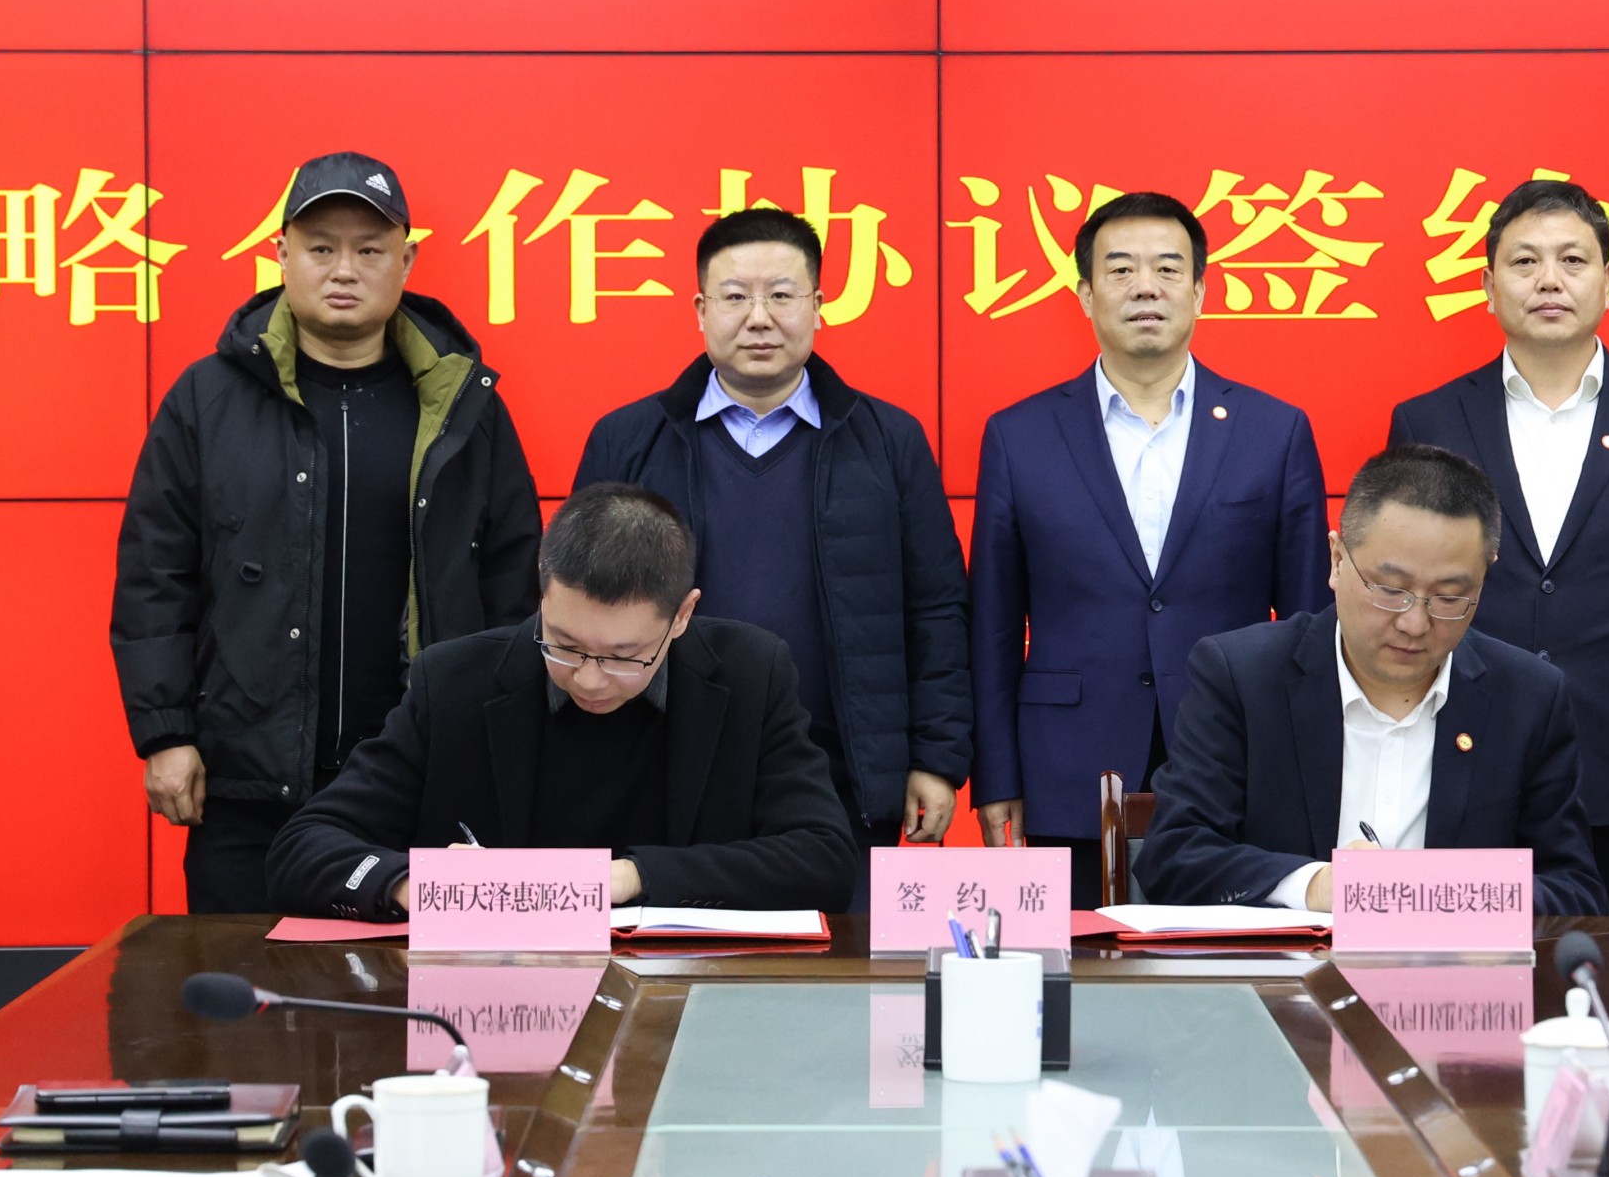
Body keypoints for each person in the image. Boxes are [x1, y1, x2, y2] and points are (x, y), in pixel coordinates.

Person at [111, 152, 542, 913]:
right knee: (241, 982)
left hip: (420, 780)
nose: (345, 269)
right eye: (321, 248)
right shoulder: (207, 400)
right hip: (247, 779)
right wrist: (165, 733)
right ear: (280, 254)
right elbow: (156, 576)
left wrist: (501, 741)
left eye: (370, 250)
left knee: (414, 984)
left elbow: (514, 583)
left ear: (407, 261)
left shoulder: (464, 409)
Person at [574, 208, 971, 905]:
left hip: (841, 777)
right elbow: (577, 609)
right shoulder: (628, 440)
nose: (759, 318)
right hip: (663, 768)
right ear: (700, 311)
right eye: (735, 296)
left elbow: (935, 607)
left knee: (845, 965)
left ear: (817, 306)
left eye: (781, 295)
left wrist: (936, 759)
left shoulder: (889, 441)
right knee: (673, 966)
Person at [1386, 178, 1609, 916]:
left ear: (1608, 282)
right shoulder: (1430, 420)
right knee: (1463, 973)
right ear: (1488, 287)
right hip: (1463, 747)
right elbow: (1396, 602)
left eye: (1573, 260)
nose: (1549, 280)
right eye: (1525, 262)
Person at [969, 191, 1329, 907]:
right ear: (1085, 294)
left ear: (1200, 291)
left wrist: (1307, 771)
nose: (1145, 287)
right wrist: (998, 775)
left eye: (1167, 269)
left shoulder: (1273, 430)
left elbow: (1310, 624)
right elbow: (993, 625)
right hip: (1069, 760)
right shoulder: (1020, 434)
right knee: (1080, 958)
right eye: (1121, 269)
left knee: (1231, 958)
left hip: (1236, 753)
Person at [265, 483, 858, 918]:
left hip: (686, 1008)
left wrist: (627, 878)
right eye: (565, 646)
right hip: (495, 1003)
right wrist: (418, 884)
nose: (590, 680)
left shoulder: (750, 673)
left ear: (682, 616)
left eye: (625, 656)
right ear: (542, 594)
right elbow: (302, 848)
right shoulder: (455, 682)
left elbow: (823, 859)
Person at [1137, 443, 1607, 916]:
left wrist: (1436, 893)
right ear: (1337, 560)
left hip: (1451, 964)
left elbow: (1574, 892)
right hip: (1284, 963)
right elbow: (1175, 857)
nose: (1415, 624)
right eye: (1391, 590)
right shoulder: (1243, 675)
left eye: (1449, 598)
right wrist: (1318, 886)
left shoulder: (1527, 697)